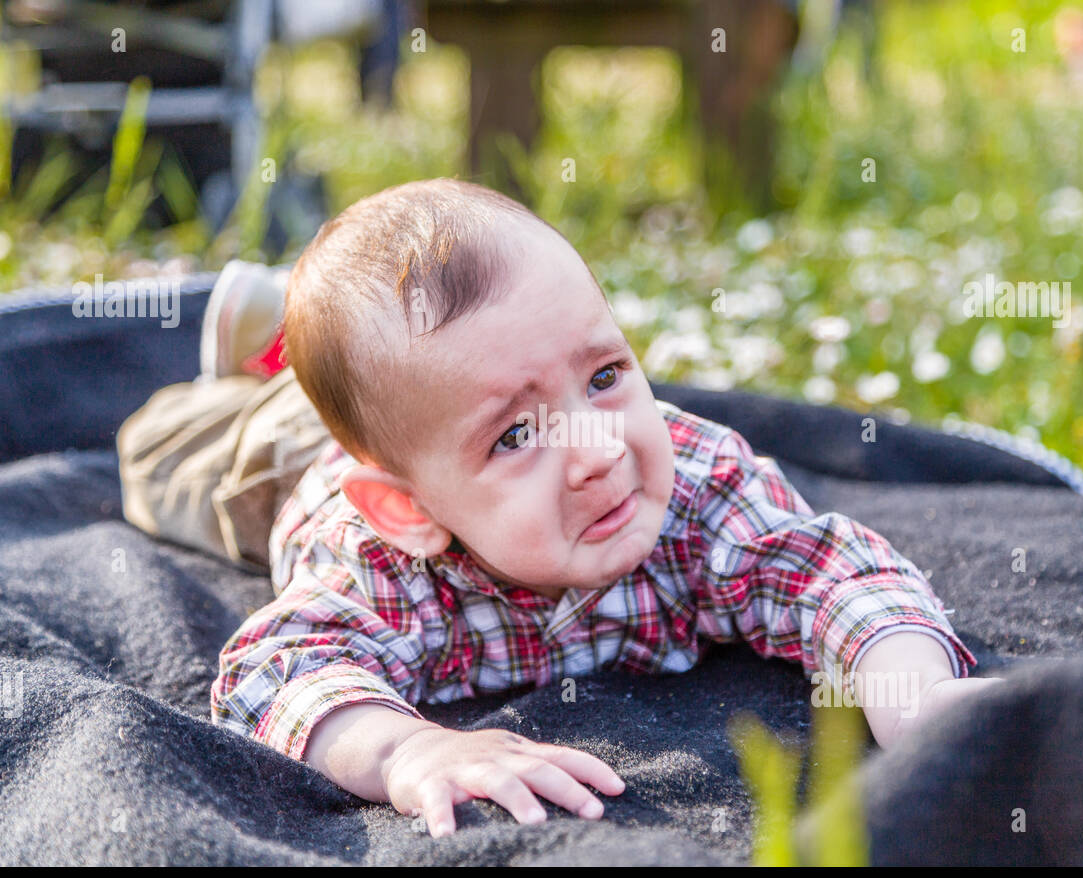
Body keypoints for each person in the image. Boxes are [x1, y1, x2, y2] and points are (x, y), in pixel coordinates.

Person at [117, 177, 1002, 838]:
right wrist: (406, 750)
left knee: (397, 369)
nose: (598, 451)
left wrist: (915, 691)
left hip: (419, 412)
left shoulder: (692, 485)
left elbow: (825, 569)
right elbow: (275, 668)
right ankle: (261, 355)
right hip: (281, 460)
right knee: (164, 459)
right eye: (514, 437)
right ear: (407, 509)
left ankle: (301, 330)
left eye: (605, 375)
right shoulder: (381, 565)